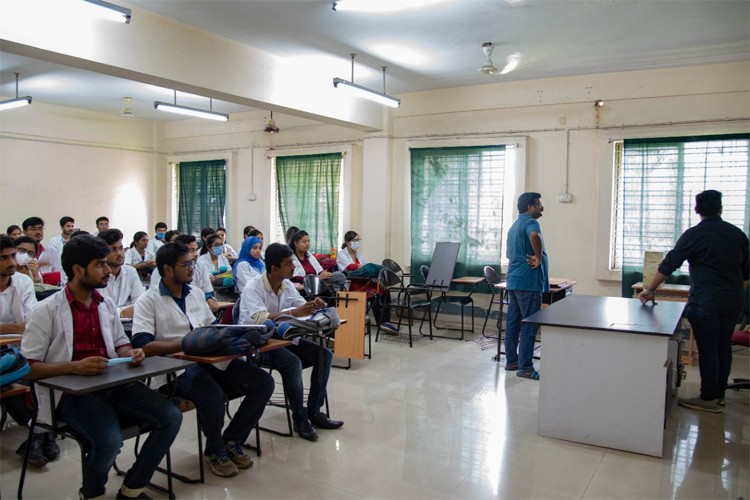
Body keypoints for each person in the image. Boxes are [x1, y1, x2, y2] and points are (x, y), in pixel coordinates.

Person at [20, 235, 182, 499]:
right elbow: (28, 368)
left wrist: (131, 352)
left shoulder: (104, 304)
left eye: (107, 264)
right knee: (109, 440)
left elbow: (119, 343)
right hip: (70, 393)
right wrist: (74, 367)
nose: (108, 271)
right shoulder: (46, 310)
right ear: (77, 270)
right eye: (100, 265)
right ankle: (92, 493)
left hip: (111, 382)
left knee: (171, 416)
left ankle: (132, 488)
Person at [132, 242, 273, 477]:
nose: (192, 268)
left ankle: (232, 440)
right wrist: (187, 343)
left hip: (211, 360)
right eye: (186, 264)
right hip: (175, 368)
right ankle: (214, 449)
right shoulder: (149, 300)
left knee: (262, 383)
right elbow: (143, 345)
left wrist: (233, 336)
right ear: (167, 269)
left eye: (193, 263)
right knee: (212, 395)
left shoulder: (196, 294)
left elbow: (210, 328)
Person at [639, 190, 749, 413]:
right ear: (720, 208)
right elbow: (746, 275)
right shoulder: (737, 234)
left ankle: (708, 398)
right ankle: (719, 394)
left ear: (697, 210)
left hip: (706, 301)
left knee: (708, 348)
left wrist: (649, 289)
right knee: (722, 346)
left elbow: (668, 265)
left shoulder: (694, 235)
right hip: (733, 300)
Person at [239, 243, 343, 441]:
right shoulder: (253, 288)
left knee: (324, 354)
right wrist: (295, 313)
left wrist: (313, 305)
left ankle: (314, 411)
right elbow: (260, 318)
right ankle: (300, 418)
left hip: (284, 338)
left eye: (292, 262)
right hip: (259, 343)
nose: (293, 267)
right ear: (274, 268)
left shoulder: (286, 285)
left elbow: (299, 304)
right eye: (288, 264)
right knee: (292, 363)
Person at [0, 235, 58, 467]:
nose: (11, 262)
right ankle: (40, 432)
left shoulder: (22, 282)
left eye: (13, 256)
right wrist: (15, 327)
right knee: (11, 379)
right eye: (3, 258)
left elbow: (32, 320)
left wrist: (13, 330)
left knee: (39, 370)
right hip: (8, 352)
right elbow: (22, 324)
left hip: (19, 348)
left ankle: (39, 432)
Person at [504, 192, 549, 381]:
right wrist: (538, 257)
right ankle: (526, 368)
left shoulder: (514, 226)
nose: (541, 207)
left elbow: (509, 253)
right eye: (538, 204)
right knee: (529, 326)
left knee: (513, 323)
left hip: (514, 281)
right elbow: (534, 235)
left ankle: (512, 361)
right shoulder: (531, 223)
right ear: (530, 207)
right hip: (528, 283)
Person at [337, 230, 397, 333]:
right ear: (347, 242)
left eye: (358, 240)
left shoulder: (359, 255)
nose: (357, 242)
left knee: (385, 291)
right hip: (352, 283)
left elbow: (365, 269)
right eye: (354, 240)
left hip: (364, 281)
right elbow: (351, 267)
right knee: (373, 294)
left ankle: (386, 322)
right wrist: (364, 268)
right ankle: (380, 323)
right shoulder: (342, 255)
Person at [150, 234, 220, 313]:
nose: (196, 254)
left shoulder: (200, 267)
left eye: (196, 250)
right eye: (191, 250)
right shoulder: (159, 272)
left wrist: (209, 299)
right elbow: (156, 293)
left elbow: (207, 290)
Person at [98, 229, 145, 319]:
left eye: (121, 248)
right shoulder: (96, 275)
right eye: (113, 249)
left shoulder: (130, 271)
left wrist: (117, 312)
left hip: (128, 326)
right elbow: (98, 310)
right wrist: (122, 312)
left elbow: (141, 304)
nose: (119, 253)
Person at [22, 216, 62, 281]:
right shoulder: (20, 254)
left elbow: (59, 274)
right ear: (24, 232)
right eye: (33, 229)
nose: (38, 232)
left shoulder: (51, 252)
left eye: (40, 228)